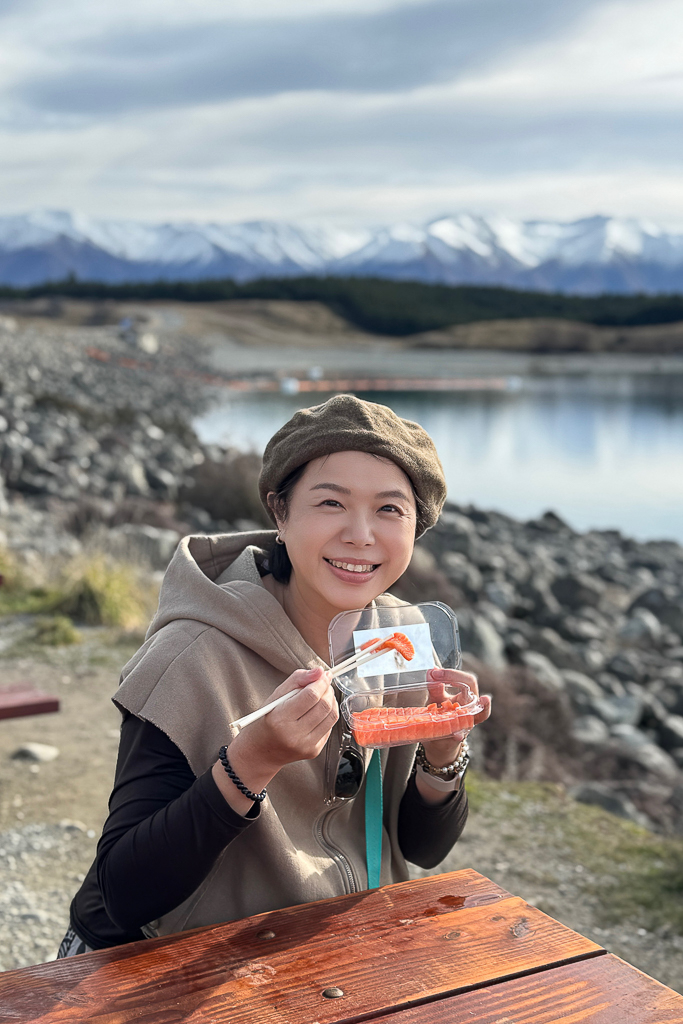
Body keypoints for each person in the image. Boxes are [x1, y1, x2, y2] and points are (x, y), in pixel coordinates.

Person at [58, 394, 491, 956]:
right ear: (280, 513)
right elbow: (124, 893)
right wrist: (251, 763)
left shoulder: (400, 641)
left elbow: (420, 847)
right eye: (331, 503)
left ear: (417, 528)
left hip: (322, 954)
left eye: (390, 509)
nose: (361, 535)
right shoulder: (194, 653)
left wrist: (442, 756)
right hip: (156, 965)